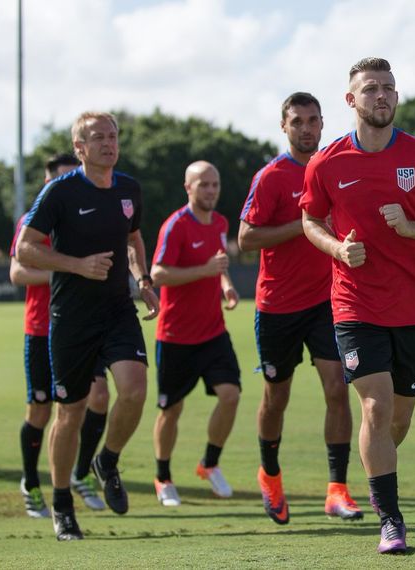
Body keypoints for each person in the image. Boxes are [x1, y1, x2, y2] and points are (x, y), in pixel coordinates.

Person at [301, 57, 415, 554]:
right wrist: (336, 249)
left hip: (412, 306)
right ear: (351, 101)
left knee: (397, 420)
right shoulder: (326, 162)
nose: (382, 96)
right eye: (371, 89)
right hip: (354, 304)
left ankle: (374, 467)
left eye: (389, 88)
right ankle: (390, 520)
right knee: (376, 404)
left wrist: (410, 228)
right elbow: (310, 221)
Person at [16, 111, 159, 540]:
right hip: (71, 318)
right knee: (71, 411)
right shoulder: (59, 192)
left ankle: (107, 461)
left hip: (117, 310)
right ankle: (62, 505)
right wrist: (76, 265)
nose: (108, 143)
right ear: (80, 148)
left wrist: (144, 280)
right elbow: (25, 249)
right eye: (97, 137)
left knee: (134, 390)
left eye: (112, 136)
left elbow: (133, 238)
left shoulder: (129, 188)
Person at [238, 92, 362, 524]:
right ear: (284, 126)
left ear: (323, 123)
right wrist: (305, 223)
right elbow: (246, 239)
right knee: (276, 397)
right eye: (297, 121)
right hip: (278, 305)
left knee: (336, 388)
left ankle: (337, 490)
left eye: (313, 120)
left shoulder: (334, 166)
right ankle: (270, 475)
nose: (306, 128)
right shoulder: (271, 176)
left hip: (329, 301)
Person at [10, 153, 110, 518]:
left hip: (85, 325)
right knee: (41, 408)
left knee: (98, 398)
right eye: (64, 179)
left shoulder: (92, 213)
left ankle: (80, 472)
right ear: (49, 183)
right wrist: (69, 270)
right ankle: (31, 483)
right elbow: (18, 274)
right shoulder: (33, 220)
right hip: (42, 328)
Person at [150, 161, 241, 507]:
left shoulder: (220, 223)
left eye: (215, 184)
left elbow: (218, 264)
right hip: (175, 336)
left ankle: (209, 463)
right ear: (187, 187)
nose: (211, 191)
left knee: (230, 395)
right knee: (171, 410)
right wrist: (203, 270)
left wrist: (227, 285)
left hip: (213, 332)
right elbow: (157, 274)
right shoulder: (175, 226)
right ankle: (162, 477)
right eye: (203, 184)